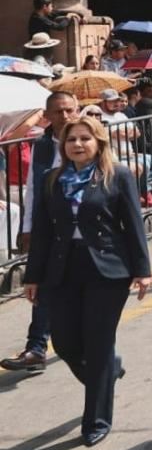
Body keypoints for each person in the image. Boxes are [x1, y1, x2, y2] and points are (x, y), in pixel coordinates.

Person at [21, 117, 151, 446]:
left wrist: (142, 268)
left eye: (85, 138)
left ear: (99, 143)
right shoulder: (52, 179)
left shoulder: (117, 175)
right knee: (64, 342)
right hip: (62, 269)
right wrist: (32, 276)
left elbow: (133, 223)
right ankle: (106, 372)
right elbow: (43, 232)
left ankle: (96, 419)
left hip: (108, 270)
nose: (77, 144)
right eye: (71, 140)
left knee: (97, 343)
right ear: (63, 147)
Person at [2, 92, 81, 374]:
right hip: (51, 230)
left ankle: (99, 351)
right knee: (45, 287)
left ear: (77, 110)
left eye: (70, 110)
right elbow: (34, 188)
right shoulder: (43, 146)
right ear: (47, 115)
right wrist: (27, 228)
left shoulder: (90, 140)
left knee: (84, 293)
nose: (65, 117)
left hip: (86, 234)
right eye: (58, 112)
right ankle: (36, 349)